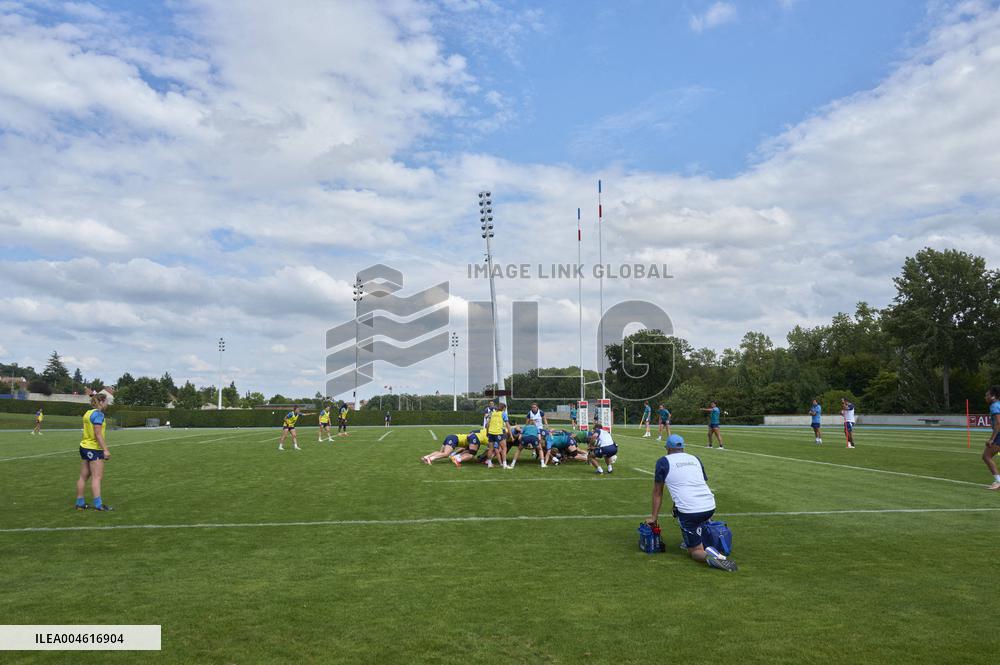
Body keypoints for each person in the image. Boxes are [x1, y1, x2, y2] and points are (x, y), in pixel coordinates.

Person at [646, 434, 737, 572]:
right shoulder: (695, 459)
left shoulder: (663, 461)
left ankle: (714, 557)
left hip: (690, 511)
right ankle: (702, 539)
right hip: (710, 506)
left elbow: (658, 492)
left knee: (695, 551)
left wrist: (654, 517)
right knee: (683, 509)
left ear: (667, 448)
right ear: (683, 448)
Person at [75, 393, 112, 511]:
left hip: (84, 446)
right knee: (97, 477)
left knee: (83, 477)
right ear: (101, 402)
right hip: (94, 449)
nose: (107, 404)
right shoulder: (98, 415)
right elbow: (98, 434)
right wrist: (105, 449)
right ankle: (98, 505)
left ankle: (79, 503)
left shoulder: (87, 413)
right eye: (106, 401)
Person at [982, 386, 1000, 490]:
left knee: (986, 456)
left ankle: (998, 481)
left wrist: (992, 439)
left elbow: (998, 423)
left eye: (987, 395)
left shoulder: (994, 406)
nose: (985, 397)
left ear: (993, 396)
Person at [485, 402, 511, 469]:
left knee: (490, 449)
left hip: (491, 433)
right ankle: (504, 465)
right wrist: (511, 434)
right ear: (503, 408)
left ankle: (489, 464)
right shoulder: (503, 413)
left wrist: (487, 432)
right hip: (499, 433)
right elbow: (507, 425)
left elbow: (487, 424)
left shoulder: (492, 413)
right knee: (504, 448)